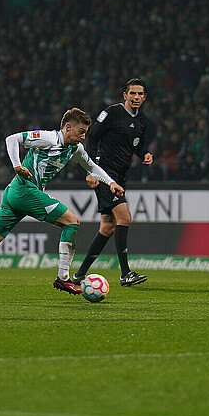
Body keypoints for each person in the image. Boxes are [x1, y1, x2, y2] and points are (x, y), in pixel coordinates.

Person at [0, 108, 124, 302]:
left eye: (85, 133)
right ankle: (63, 278)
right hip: (24, 191)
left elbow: (92, 167)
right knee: (72, 221)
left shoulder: (75, 149)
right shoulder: (48, 138)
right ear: (67, 127)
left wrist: (111, 183)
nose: (83, 137)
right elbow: (12, 139)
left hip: (15, 194)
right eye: (81, 132)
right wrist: (17, 165)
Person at [70, 78, 153, 288]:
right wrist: (92, 170)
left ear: (144, 97)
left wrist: (145, 154)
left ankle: (79, 275)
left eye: (140, 94)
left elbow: (137, 146)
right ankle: (126, 274)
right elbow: (92, 138)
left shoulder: (142, 120)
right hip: (105, 173)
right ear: (125, 95)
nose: (136, 97)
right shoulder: (112, 113)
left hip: (120, 175)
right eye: (132, 93)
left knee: (107, 227)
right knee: (124, 217)